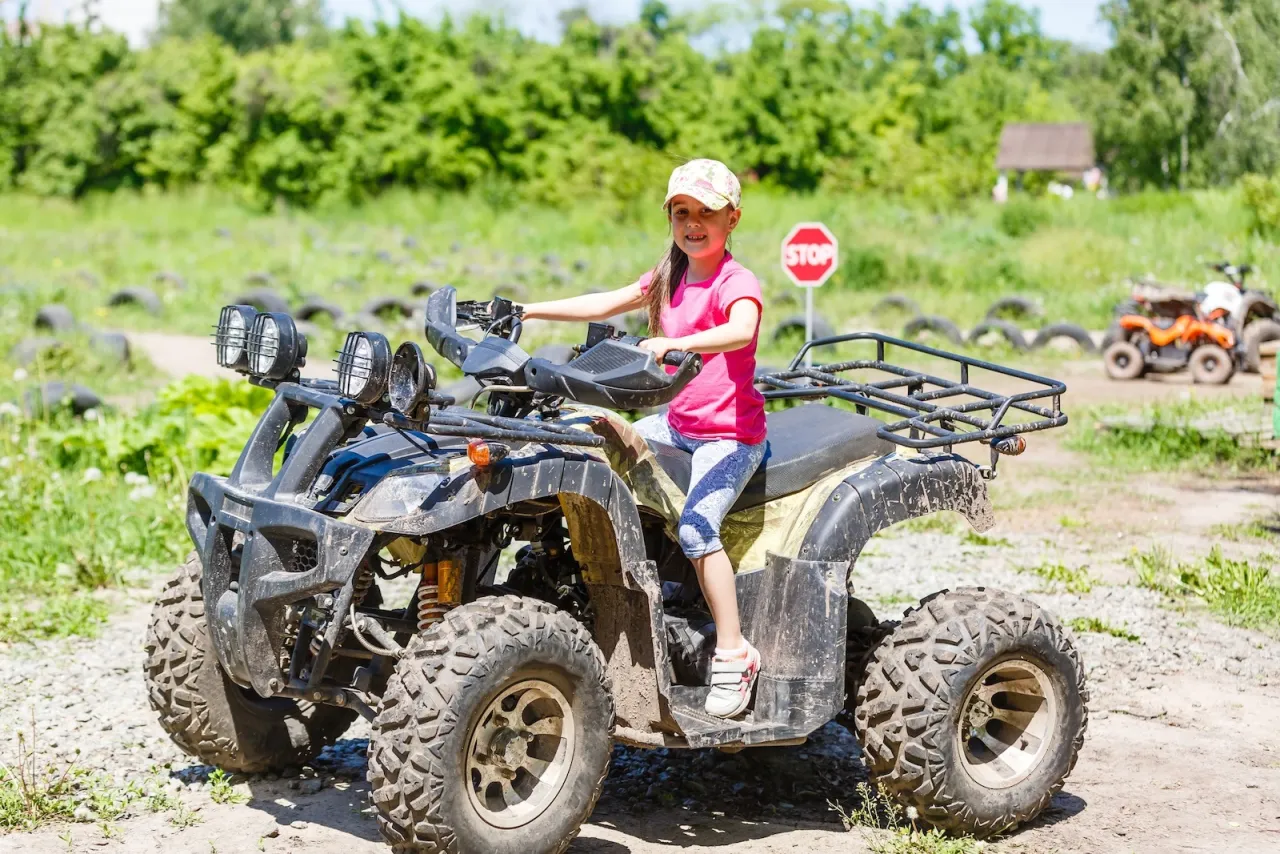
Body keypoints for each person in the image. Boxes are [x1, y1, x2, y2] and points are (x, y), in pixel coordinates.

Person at [522, 159, 768, 718]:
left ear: (732, 218)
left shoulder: (736, 281)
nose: (693, 223)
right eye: (682, 212)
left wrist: (680, 344)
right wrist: (529, 309)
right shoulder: (670, 277)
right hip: (678, 425)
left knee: (698, 527)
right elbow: (604, 303)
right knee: (585, 437)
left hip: (729, 438)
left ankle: (733, 650)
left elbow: (743, 328)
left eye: (706, 212)